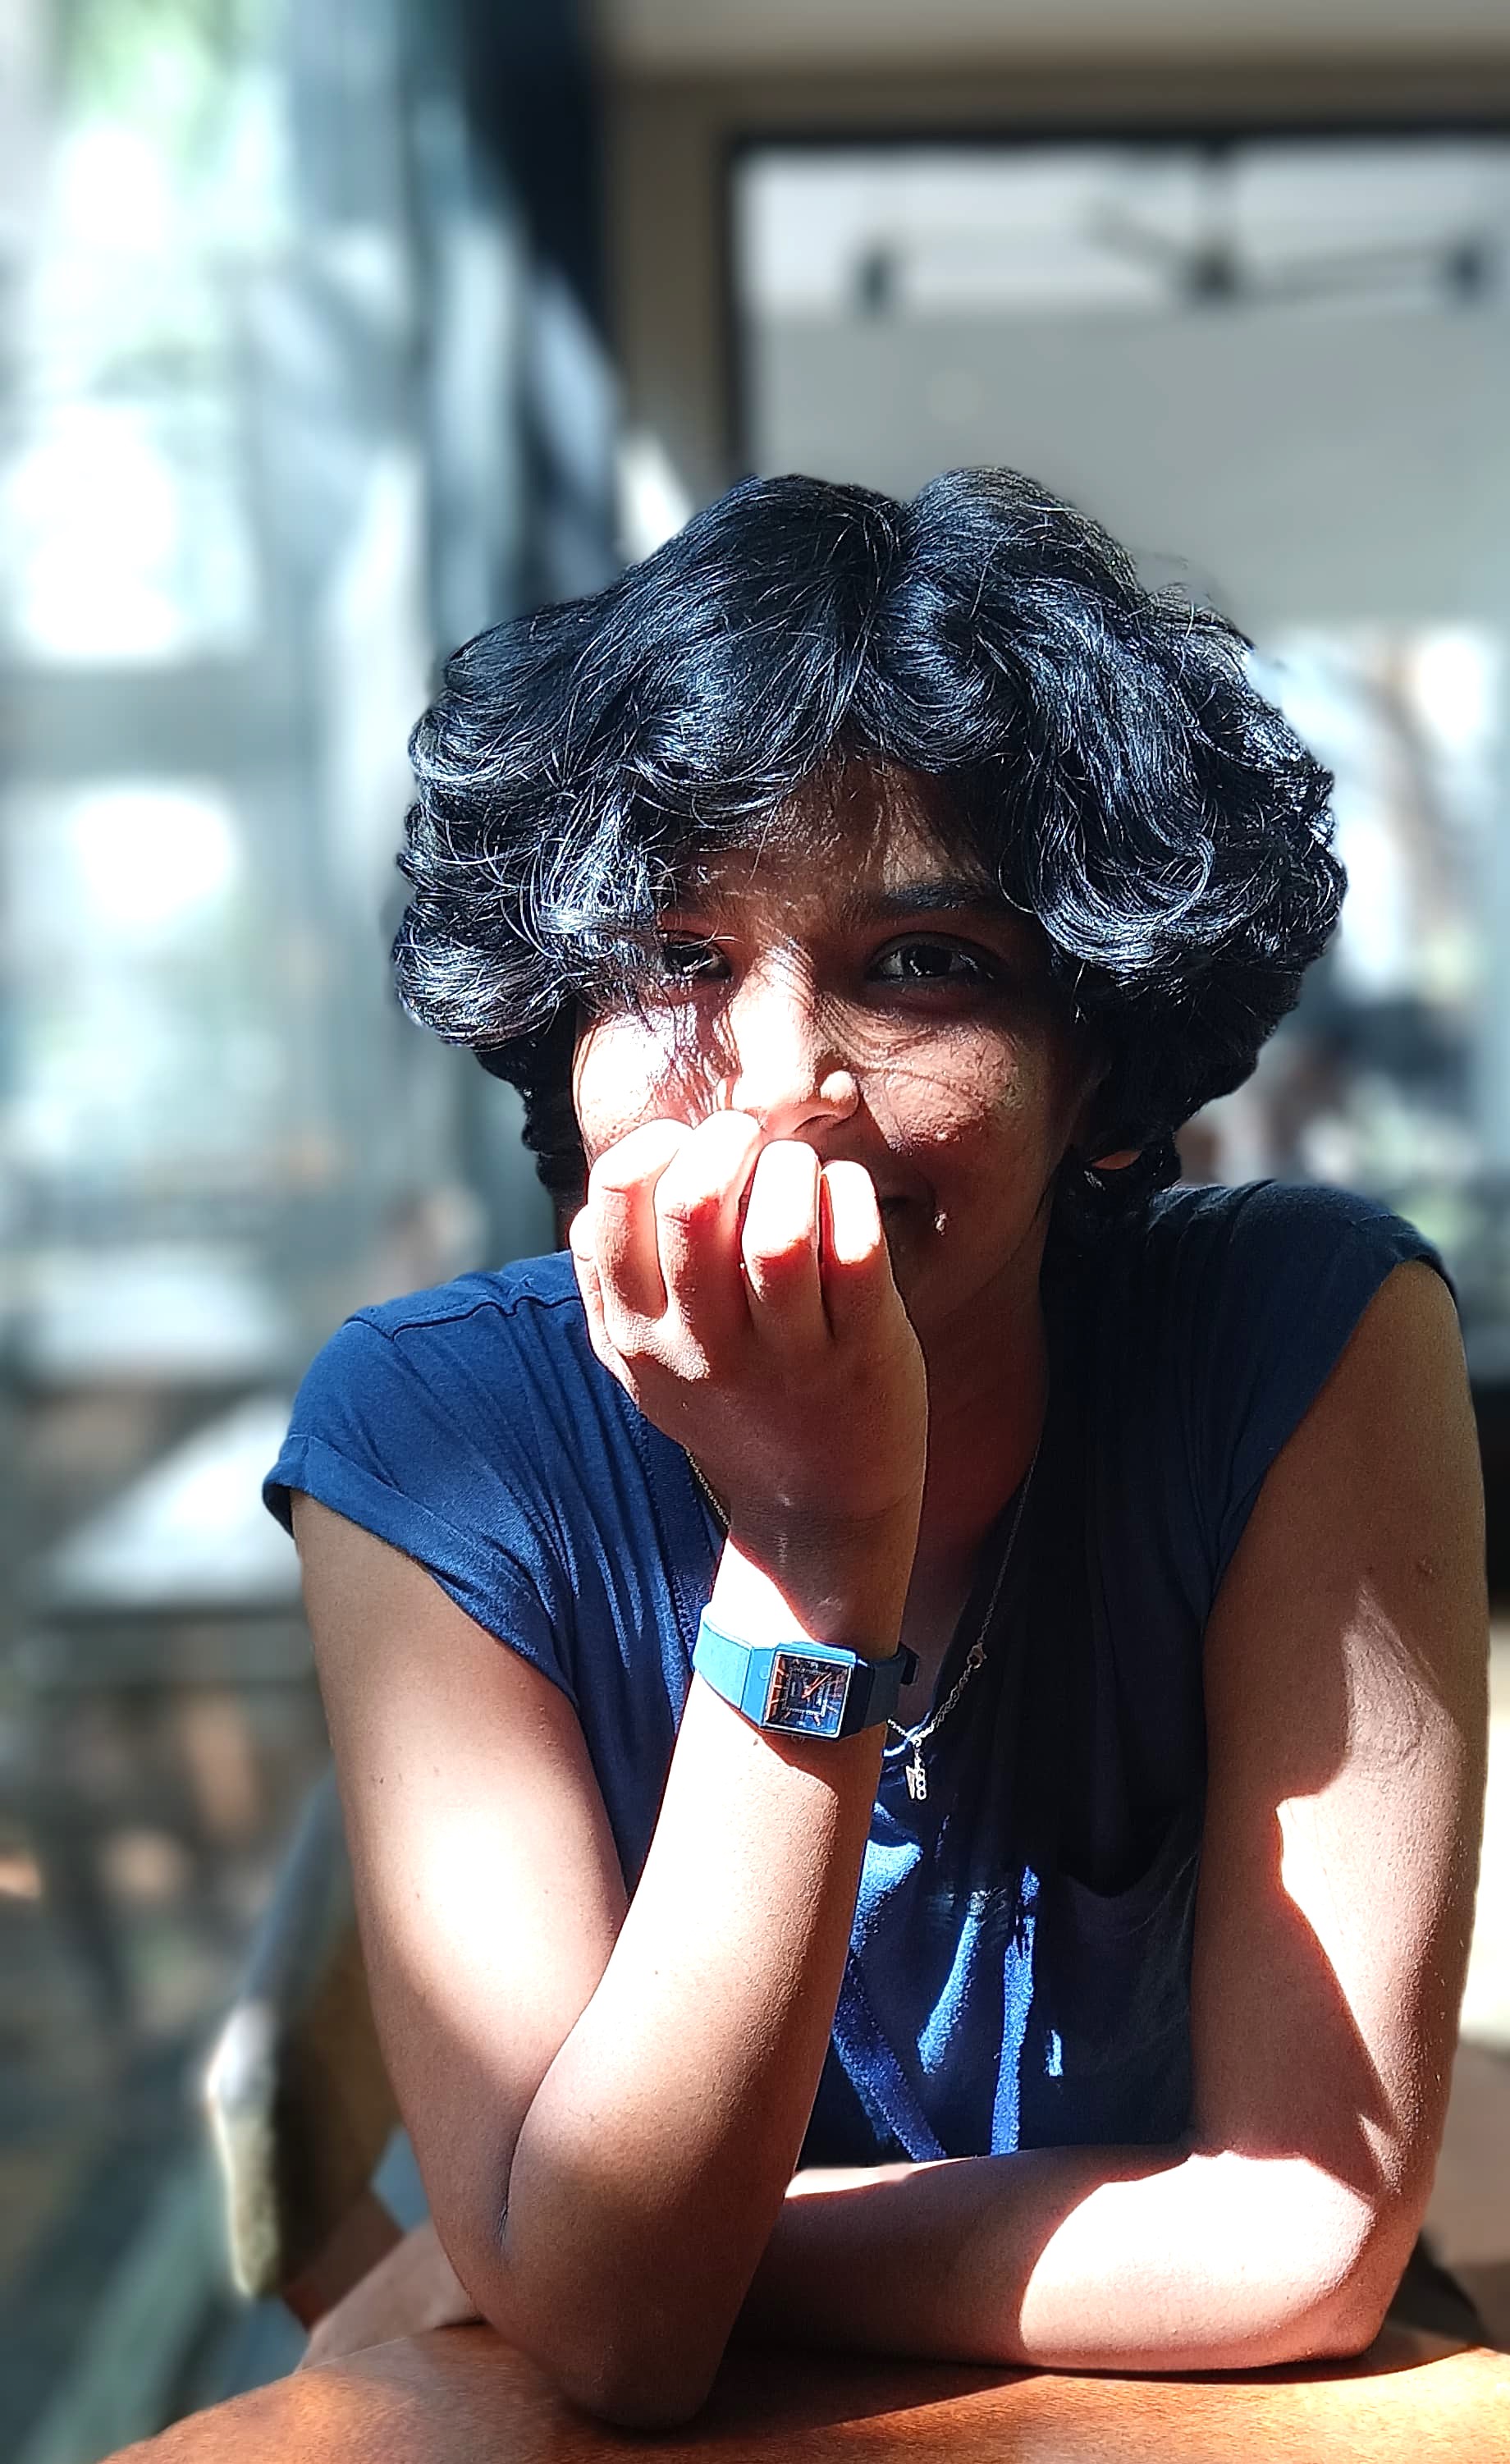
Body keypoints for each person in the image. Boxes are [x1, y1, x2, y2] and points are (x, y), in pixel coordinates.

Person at [263, 469, 1489, 2425]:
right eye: (676, 958)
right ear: (555, 1036)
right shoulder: (437, 1437)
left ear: (1098, 1068)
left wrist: (595, 2252)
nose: (777, 1088)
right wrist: (808, 1547)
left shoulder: (1302, 1338)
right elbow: (607, 2355)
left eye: (921, 964)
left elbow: (1303, 2238)